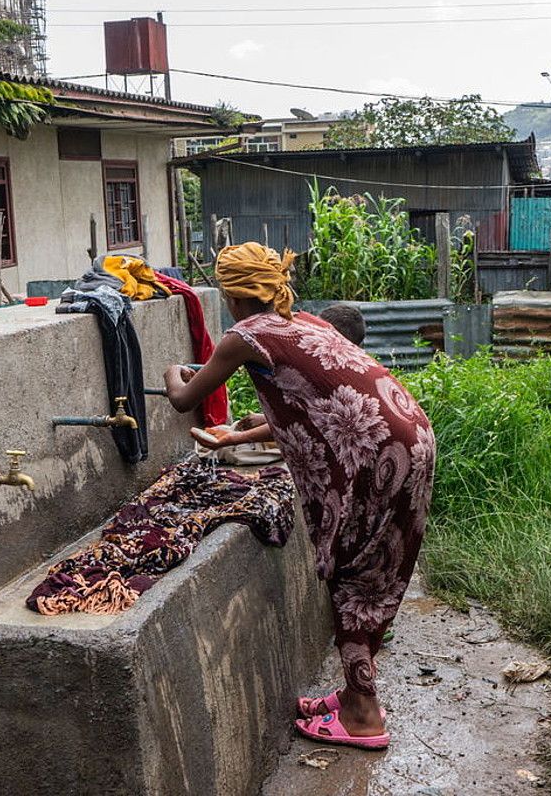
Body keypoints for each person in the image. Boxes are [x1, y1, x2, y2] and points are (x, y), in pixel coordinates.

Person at [163, 242, 435, 750]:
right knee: (378, 569)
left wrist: (170, 370)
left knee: (350, 571)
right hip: (410, 436)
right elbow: (329, 404)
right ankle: (356, 690)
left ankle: (363, 717)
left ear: (232, 293)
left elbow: (183, 399)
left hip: (371, 452)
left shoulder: (245, 334)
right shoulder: (309, 323)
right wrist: (243, 435)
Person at [201, 303, 367, 449]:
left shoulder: (335, 375)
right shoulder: (348, 365)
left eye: (317, 332)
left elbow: (305, 424)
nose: (310, 335)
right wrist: (266, 419)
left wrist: (236, 438)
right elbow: (307, 413)